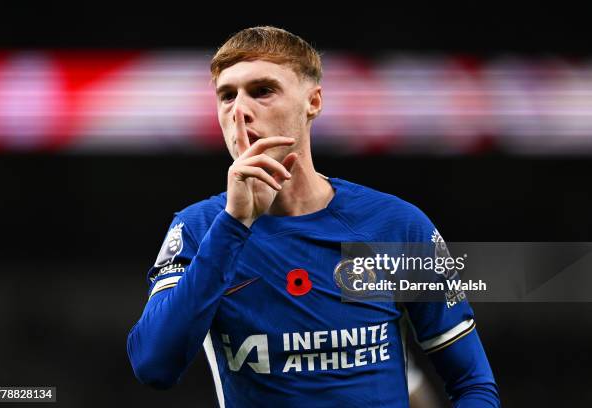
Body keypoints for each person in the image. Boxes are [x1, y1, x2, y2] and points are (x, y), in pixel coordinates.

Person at [127, 26, 500, 407]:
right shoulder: (199, 229)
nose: (239, 110)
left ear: (314, 102)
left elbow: (473, 384)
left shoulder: (396, 226)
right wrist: (234, 224)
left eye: (262, 91)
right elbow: (154, 366)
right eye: (226, 96)